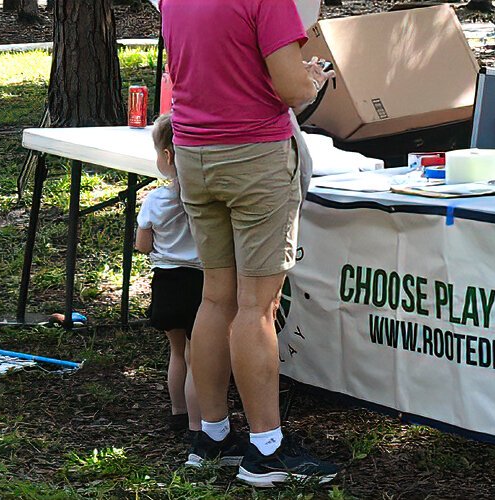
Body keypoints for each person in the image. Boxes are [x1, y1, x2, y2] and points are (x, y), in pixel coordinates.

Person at [161, 0, 339, 487]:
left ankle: (212, 435)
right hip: (254, 154)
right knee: (256, 307)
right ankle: (266, 449)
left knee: (215, 296)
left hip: (194, 152)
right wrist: (312, 77)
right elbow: (291, 89)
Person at [135, 114, 203, 441]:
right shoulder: (204, 199)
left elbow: (142, 245)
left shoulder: (154, 200)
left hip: (167, 282)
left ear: (167, 156)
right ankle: (198, 426)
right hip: (201, 284)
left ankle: (178, 413)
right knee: (197, 356)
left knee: (177, 353)